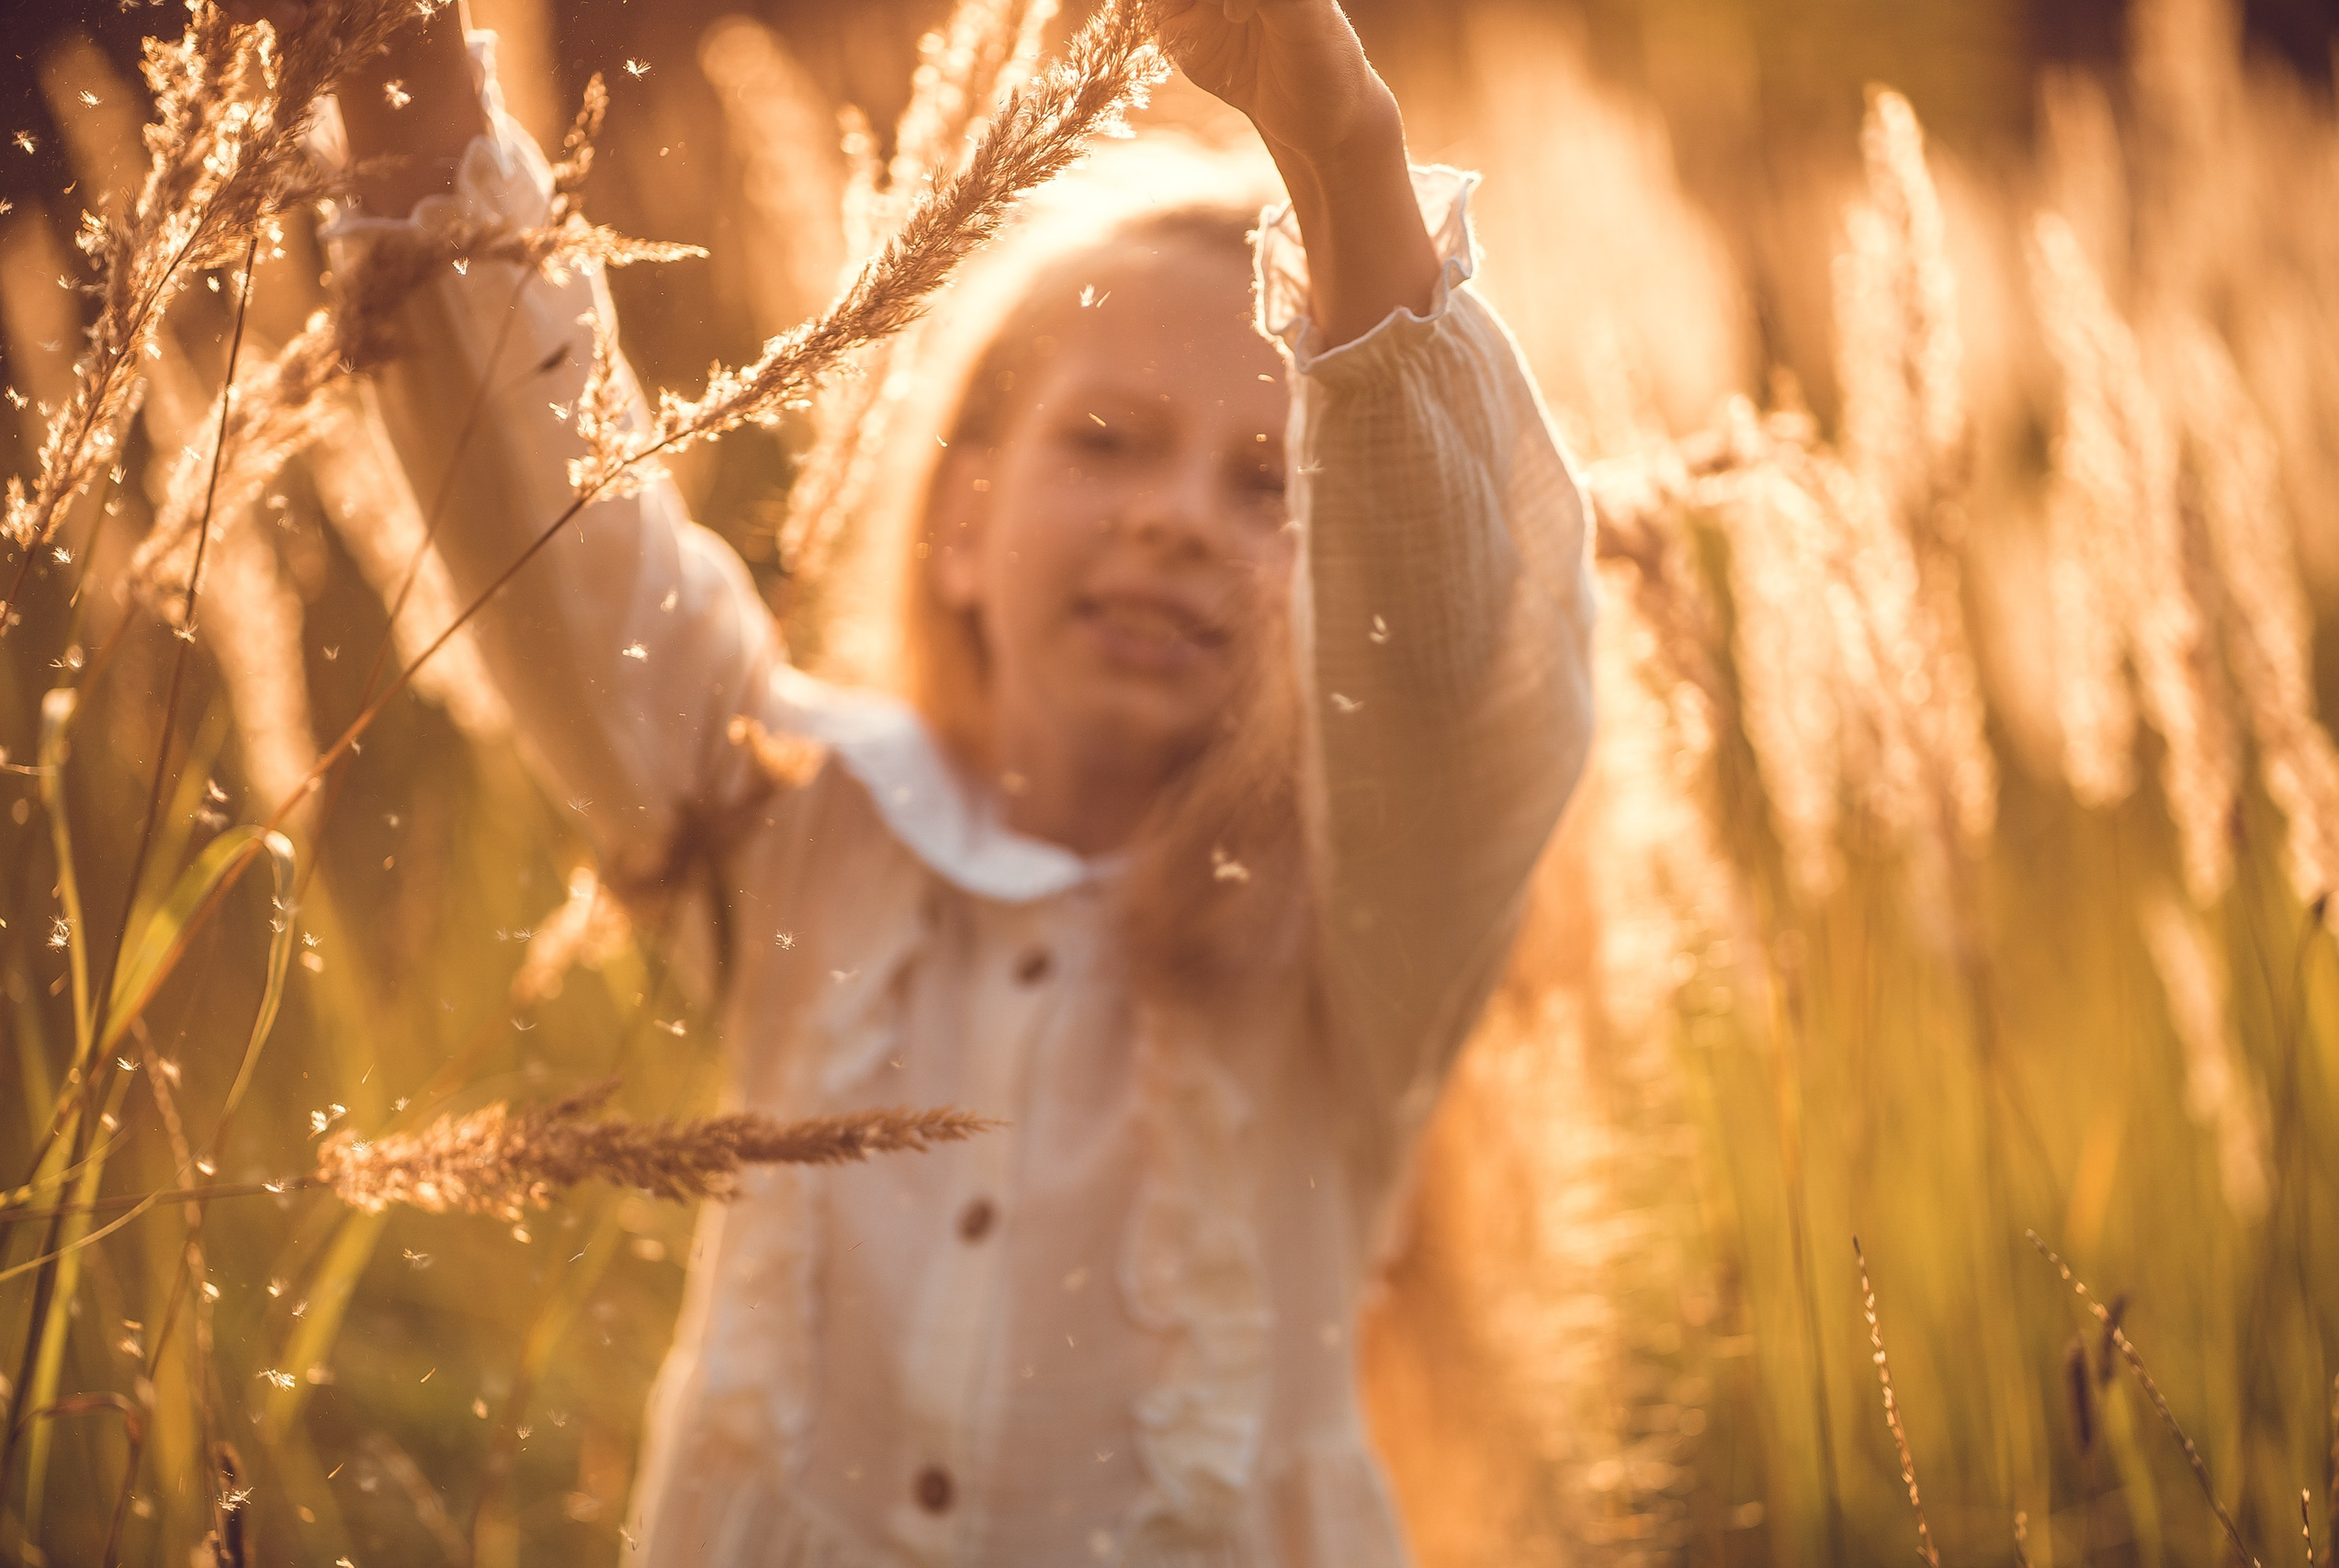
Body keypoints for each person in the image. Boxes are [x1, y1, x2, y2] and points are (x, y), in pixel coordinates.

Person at [304, 0, 1596, 1561]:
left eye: (1270, 482)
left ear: (1346, 571)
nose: (1179, 517)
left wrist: (1345, 154)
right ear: (964, 522)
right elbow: (562, 545)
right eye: (1108, 441)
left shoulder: (1363, 933)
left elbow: (1459, 669)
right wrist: (399, 64)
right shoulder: (794, 817)